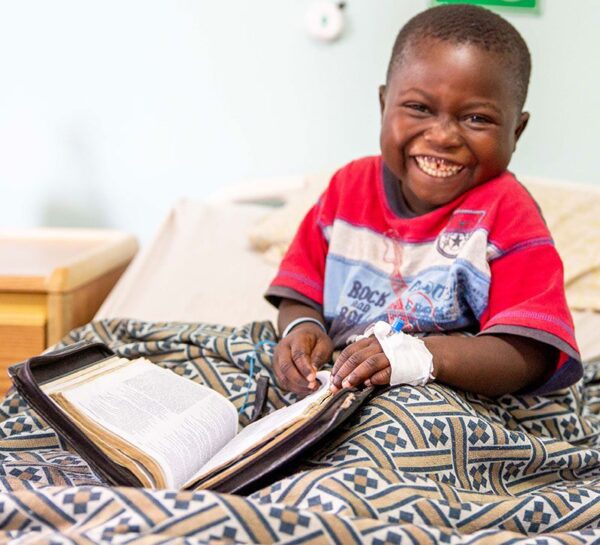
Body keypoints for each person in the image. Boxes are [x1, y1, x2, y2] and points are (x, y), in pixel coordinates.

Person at [265, 4, 582, 399]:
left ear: (516, 131)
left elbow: (528, 354)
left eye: (477, 119)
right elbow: (300, 296)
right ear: (384, 106)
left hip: (439, 385)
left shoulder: (507, 212)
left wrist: (420, 356)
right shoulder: (349, 188)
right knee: (233, 355)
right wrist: (302, 333)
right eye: (419, 108)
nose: (444, 136)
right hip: (337, 375)